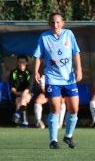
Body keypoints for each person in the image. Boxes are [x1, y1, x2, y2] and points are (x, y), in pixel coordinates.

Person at [33, 12, 83, 149]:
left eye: (58, 22)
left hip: (69, 78)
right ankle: (53, 141)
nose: (55, 25)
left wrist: (79, 69)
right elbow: (38, 55)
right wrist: (36, 71)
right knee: (55, 108)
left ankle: (68, 136)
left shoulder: (69, 34)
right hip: (52, 79)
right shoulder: (44, 37)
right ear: (49, 24)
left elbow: (76, 52)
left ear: (62, 23)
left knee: (74, 109)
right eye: (53, 22)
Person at [8, 55, 33, 127]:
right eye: (20, 62)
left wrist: (24, 93)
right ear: (17, 63)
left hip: (28, 93)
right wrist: (17, 92)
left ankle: (18, 116)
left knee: (22, 99)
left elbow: (29, 87)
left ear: (27, 63)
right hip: (17, 93)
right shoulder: (13, 72)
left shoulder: (29, 73)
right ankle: (24, 121)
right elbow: (12, 87)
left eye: (23, 62)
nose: (22, 64)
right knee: (20, 100)